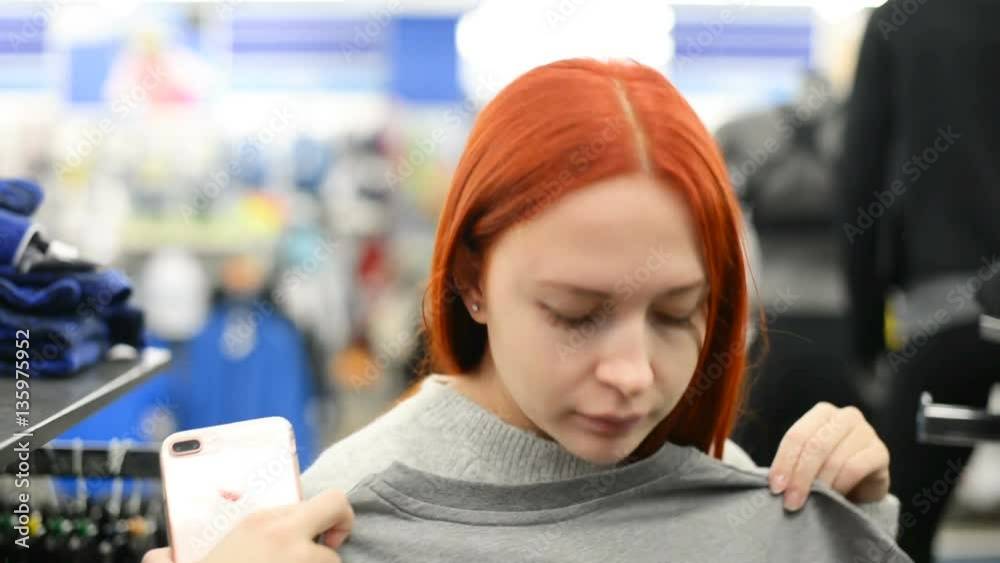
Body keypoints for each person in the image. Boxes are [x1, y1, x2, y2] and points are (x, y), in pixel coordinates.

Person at [145, 58, 901, 562]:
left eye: (677, 315)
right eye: (576, 314)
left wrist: (854, 525)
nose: (634, 375)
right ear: (472, 281)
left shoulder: (741, 493)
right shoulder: (333, 523)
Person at [836, 1, 1000, 561]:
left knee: (890, 534)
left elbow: (860, 178)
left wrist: (865, 341)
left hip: (943, 306)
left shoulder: (899, 21)